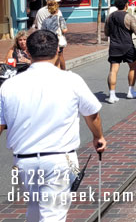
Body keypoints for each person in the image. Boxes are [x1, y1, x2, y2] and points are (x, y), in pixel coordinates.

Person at [0, 30, 106, 222]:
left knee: (34, 211)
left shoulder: (9, 86)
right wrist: (98, 137)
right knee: (52, 216)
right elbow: (93, 114)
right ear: (58, 50)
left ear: (28, 53)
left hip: (24, 161)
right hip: (59, 159)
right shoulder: (71, 80)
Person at [104, 0, 136, 103]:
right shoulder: (129, 17)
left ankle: (112, 95)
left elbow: (106, 33)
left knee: (113, 70)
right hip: (127, 46)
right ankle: (131, 91)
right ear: (126, 5)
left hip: (114, 46)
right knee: (133, 67)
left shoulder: (110, 17)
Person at [40, 0, 68, 70]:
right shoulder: (60, 18)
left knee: (51, 57)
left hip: (49, 41)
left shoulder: (45, 20)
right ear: (57, 9)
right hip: (58, 40)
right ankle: (63, 71)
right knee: (60, 56)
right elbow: (64, 30)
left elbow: (43, 31)